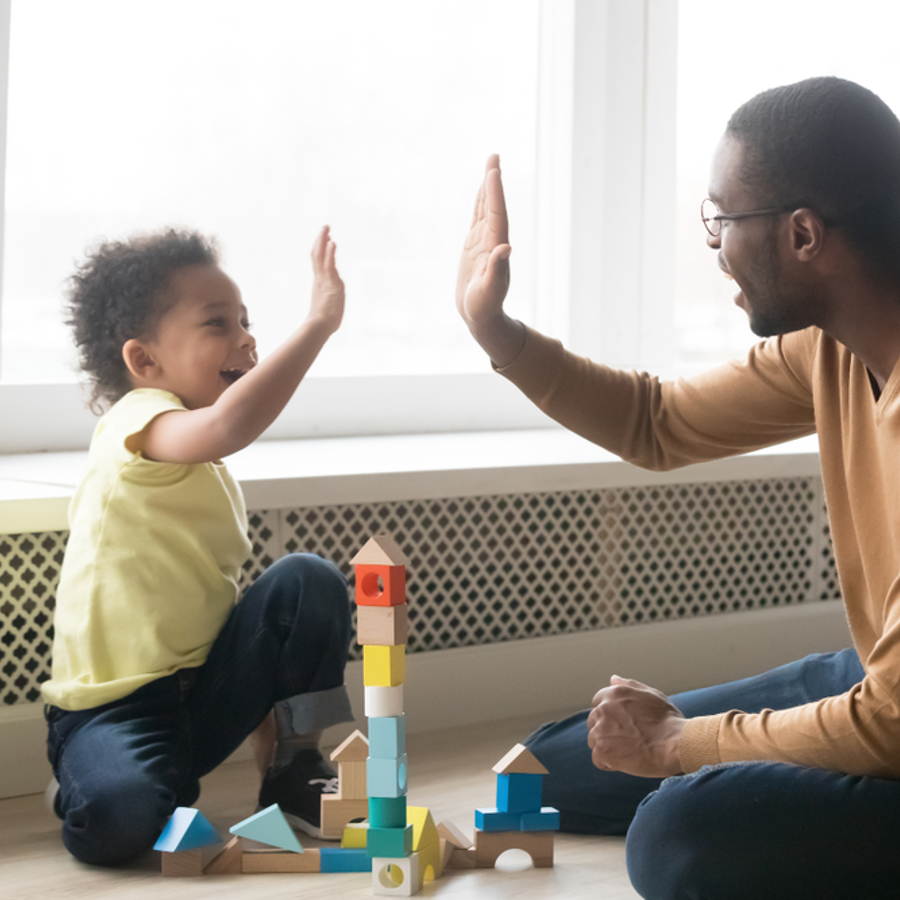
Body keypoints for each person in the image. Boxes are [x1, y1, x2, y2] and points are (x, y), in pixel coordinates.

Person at [456, 77, 900, 899]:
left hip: (895, 717)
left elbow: (890, 727)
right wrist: (498, 333)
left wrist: (678, 744)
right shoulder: (831, 347)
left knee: (677, 835)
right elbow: (657, 422)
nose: (714, 244)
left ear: (802, 234)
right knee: (553, 765)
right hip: (885, 679)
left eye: (723, 218)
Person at [43, 226, 354, 865]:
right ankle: (86, 784)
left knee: (306, 578)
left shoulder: (200, 461)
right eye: (218, 323)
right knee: (121, 825)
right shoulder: (135, 421)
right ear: (144, 362)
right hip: (115, 709)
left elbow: (221, 617)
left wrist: (271, 730)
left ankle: (296, 767)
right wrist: (319, 323)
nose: (245, 338)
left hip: (203, 694)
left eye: (246, 320)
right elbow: (230, 424)